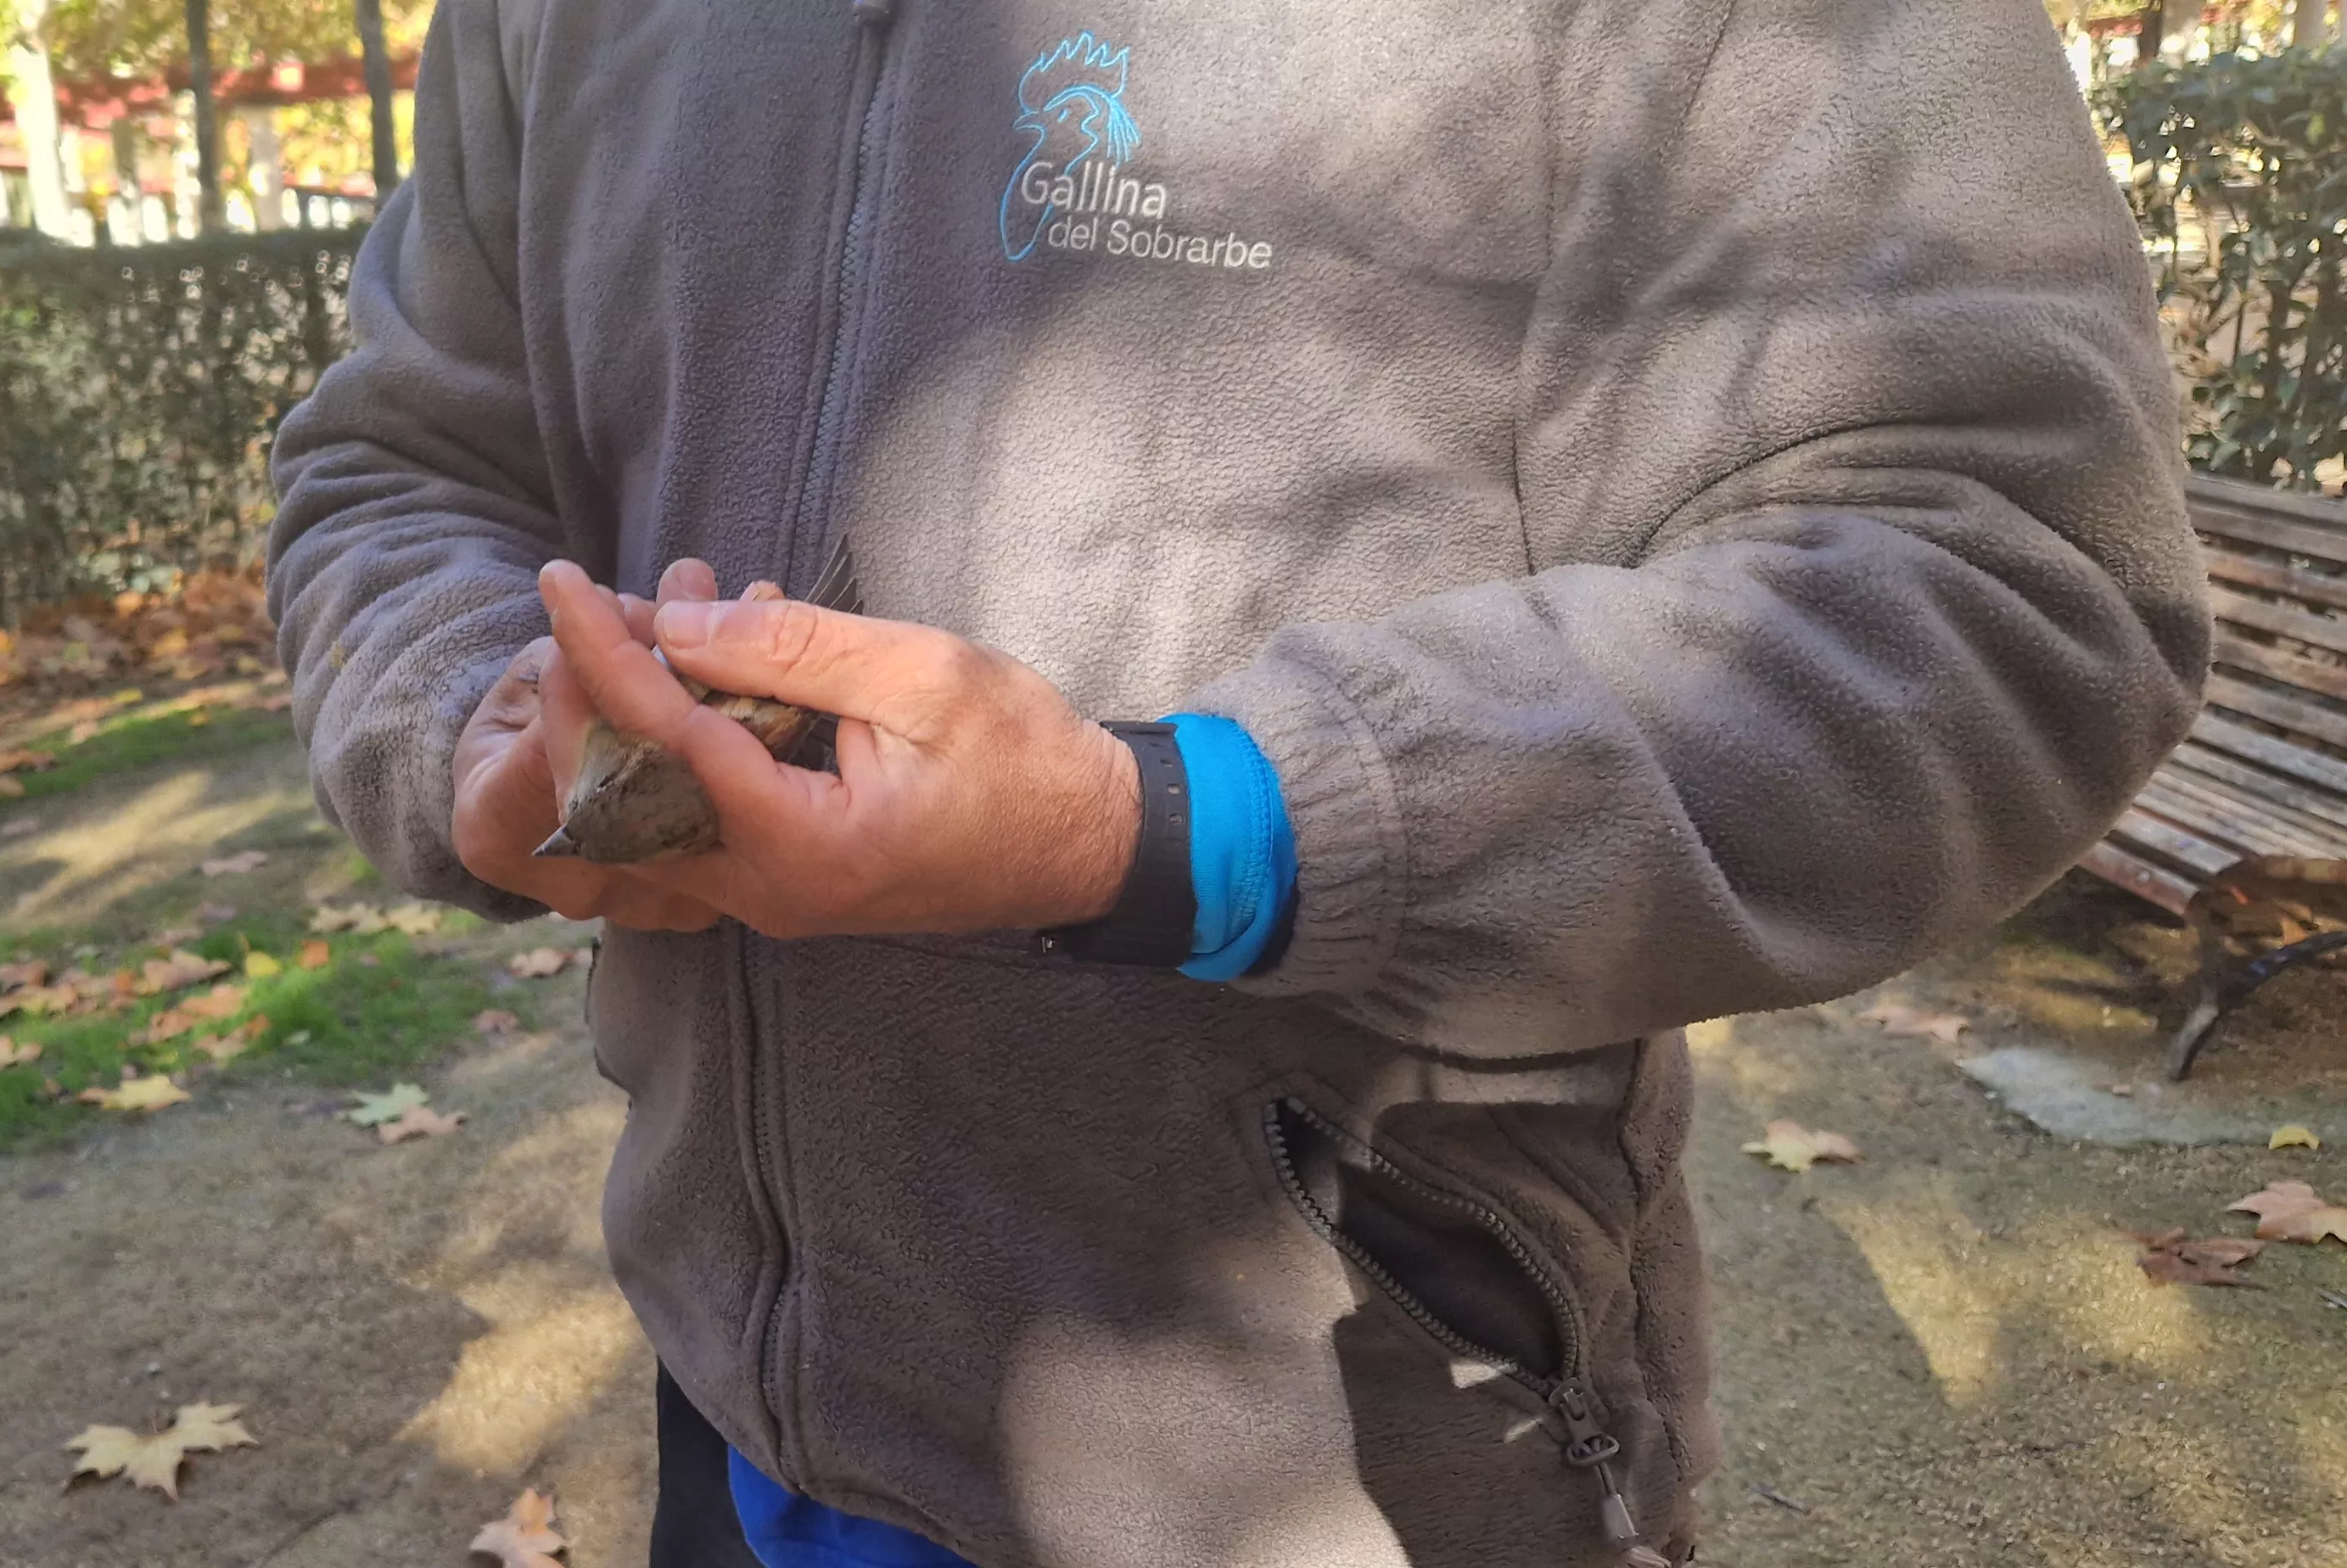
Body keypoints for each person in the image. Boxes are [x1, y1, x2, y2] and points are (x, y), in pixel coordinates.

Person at [264, 0, 2207, 1563]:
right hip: (733, 1404)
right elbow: (399, 467)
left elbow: (2002, 576)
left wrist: (1179, 827)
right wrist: (466, 720)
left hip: (1357, 1461)